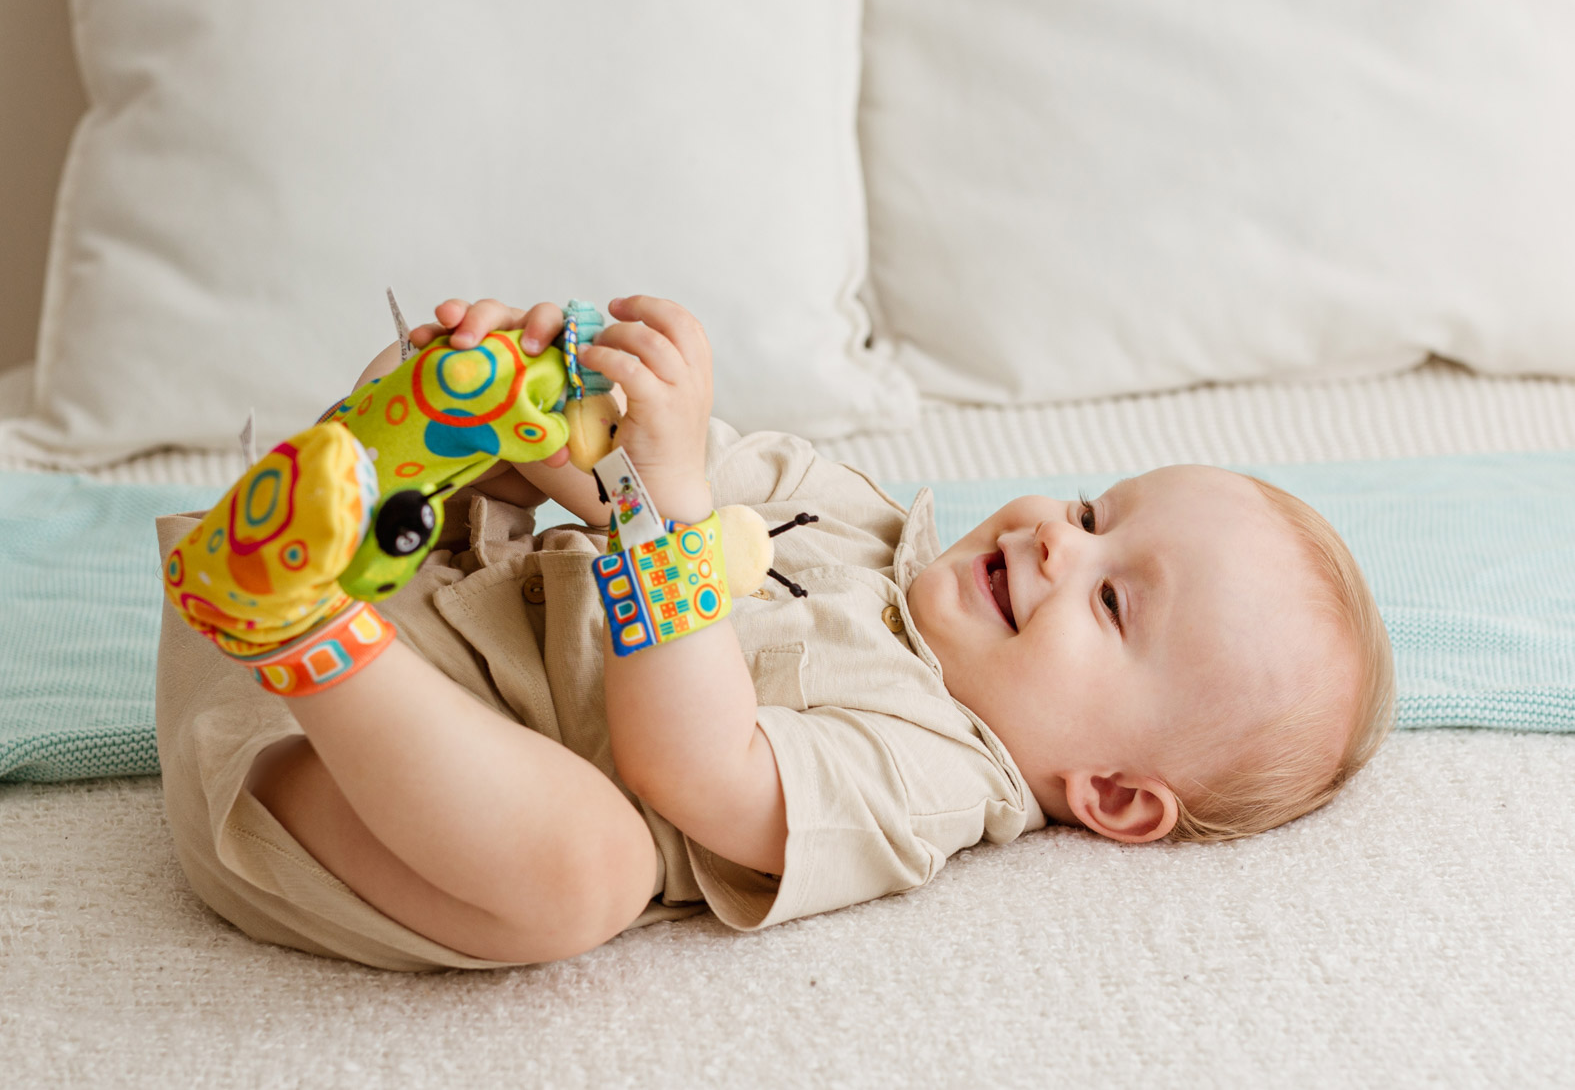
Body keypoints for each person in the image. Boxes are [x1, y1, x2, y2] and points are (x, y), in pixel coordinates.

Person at [154, 295, 1396, 972]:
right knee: (506, 434)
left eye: (1115, 602)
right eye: (1091, 511)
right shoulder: (850, 508)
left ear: (1114, 796)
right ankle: (350, 462)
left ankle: (282, 605)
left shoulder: (933, 774)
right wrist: (549, 401)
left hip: (337, 782)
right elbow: (632, 474)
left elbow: (694, 768)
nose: (1059, 546)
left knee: (589, 874)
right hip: (391, 580)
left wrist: (670, 507)